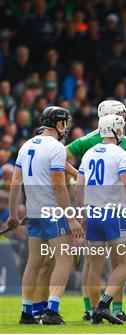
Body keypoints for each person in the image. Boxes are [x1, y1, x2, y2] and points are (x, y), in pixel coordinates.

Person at [67, 100, 126, 322]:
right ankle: (104, 304)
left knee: (94, 264)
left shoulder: (89, 153)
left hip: (92, 213)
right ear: (118, 130)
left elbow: (79, 188)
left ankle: (93, 312)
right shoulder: (120, 154)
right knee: (125, 263)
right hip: (113, 213)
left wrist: (80, 215)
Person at [7, 106, 83, 325]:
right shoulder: (57, 148)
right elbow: (59, 187)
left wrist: (13, 214)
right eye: (65, 123)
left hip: (33, 212)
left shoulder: (26, 145)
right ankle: (52, 311)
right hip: (54, 212)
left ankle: (27, 312)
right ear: (59, 124)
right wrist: (71, 217)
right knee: (65, 260)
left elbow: (15, 184)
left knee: (34, 262)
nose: (66, 127)